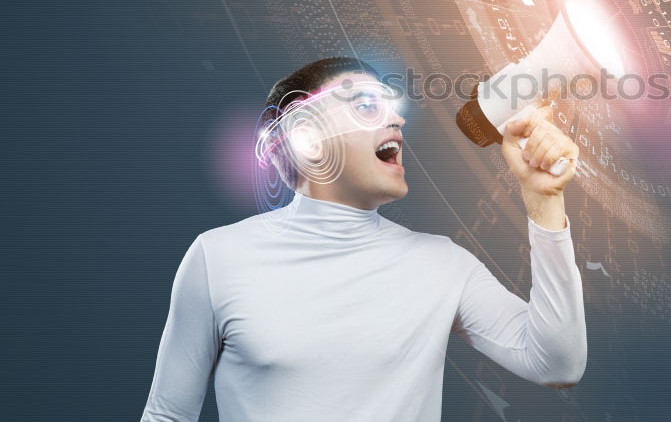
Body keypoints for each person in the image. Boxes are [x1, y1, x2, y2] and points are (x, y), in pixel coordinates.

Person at [140, 57, 587, 421]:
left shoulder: (442, 264)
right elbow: (167, 413)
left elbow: (558, 363)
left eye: (390, 106)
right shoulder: (218, 257)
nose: (396, 119)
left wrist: (543, 200)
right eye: (366, 106)